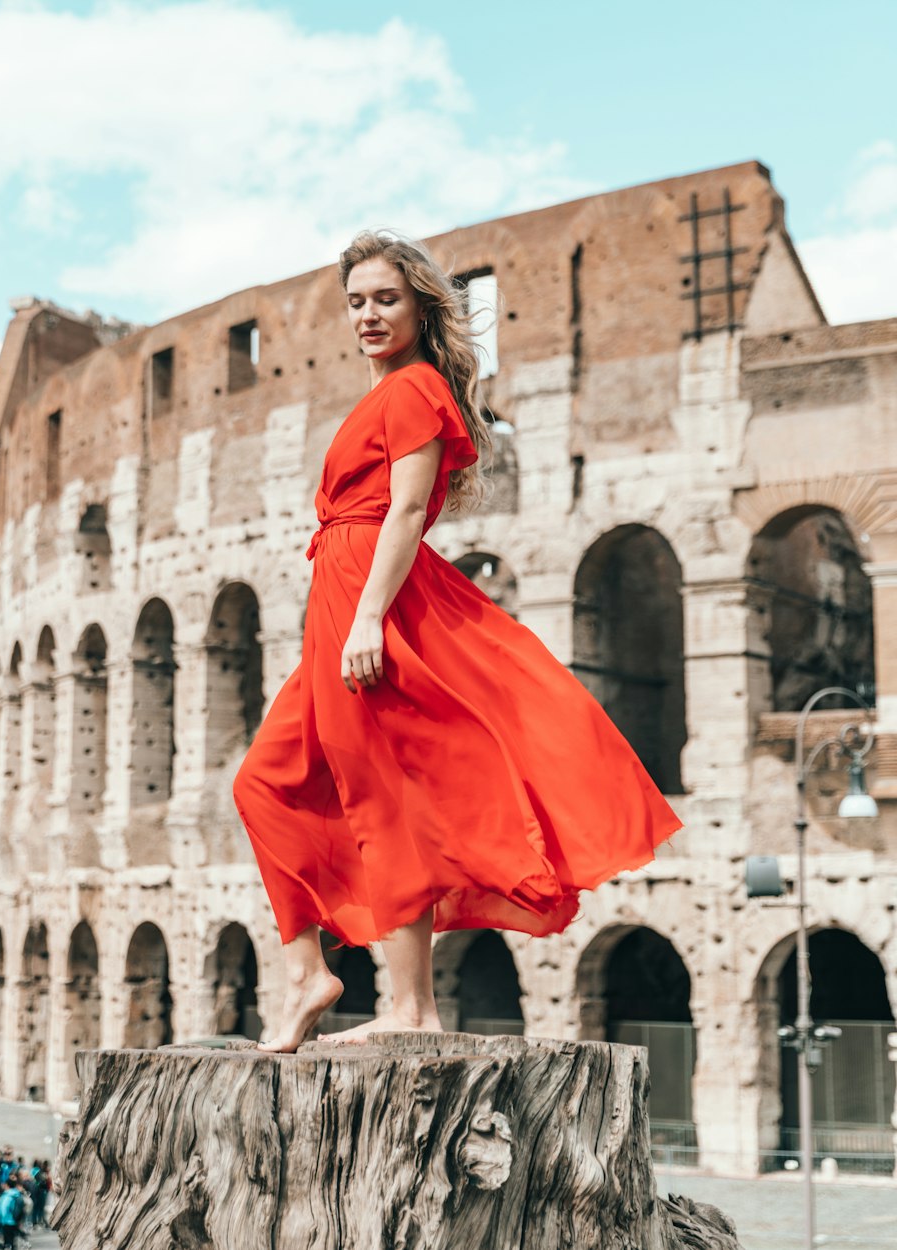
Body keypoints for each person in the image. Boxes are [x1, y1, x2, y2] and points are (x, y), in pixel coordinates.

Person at [233, 229, 681, 1053]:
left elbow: (406, 510)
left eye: (386, 299)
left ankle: (410, 1008)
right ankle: (310, 973)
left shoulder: (413, 390)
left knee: (378, 793)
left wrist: (369, 615)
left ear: (421, 306)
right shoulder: (384, 394)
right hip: (340, 590)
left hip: (367, 589)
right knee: (265, 782)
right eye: (357, 302)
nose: (368, 314)